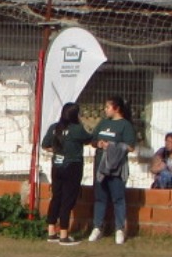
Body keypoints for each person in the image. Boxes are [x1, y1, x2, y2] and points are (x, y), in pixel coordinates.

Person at [86, 97, 137, 245]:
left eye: (108, 107)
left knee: (118, 198)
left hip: (116, 167)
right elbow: (93, 140)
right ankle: (97, 227)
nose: (105, 110)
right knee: (100, 197)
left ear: (117, 108)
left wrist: (114, 146)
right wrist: (99, 144)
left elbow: (130, 147)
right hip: (101, 166)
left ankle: (119, 228)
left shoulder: (125, 125)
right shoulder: (103, 123)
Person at [42, 102, 89, 245]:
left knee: (56, 197)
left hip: (57, 166)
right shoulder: (77, 129)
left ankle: (51, 231)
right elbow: (88, 139)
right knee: (67, 200)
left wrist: (57, 150)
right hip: (72, 166)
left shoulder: (54, 127)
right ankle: (64, 234)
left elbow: (45, 145)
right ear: (75, 115)